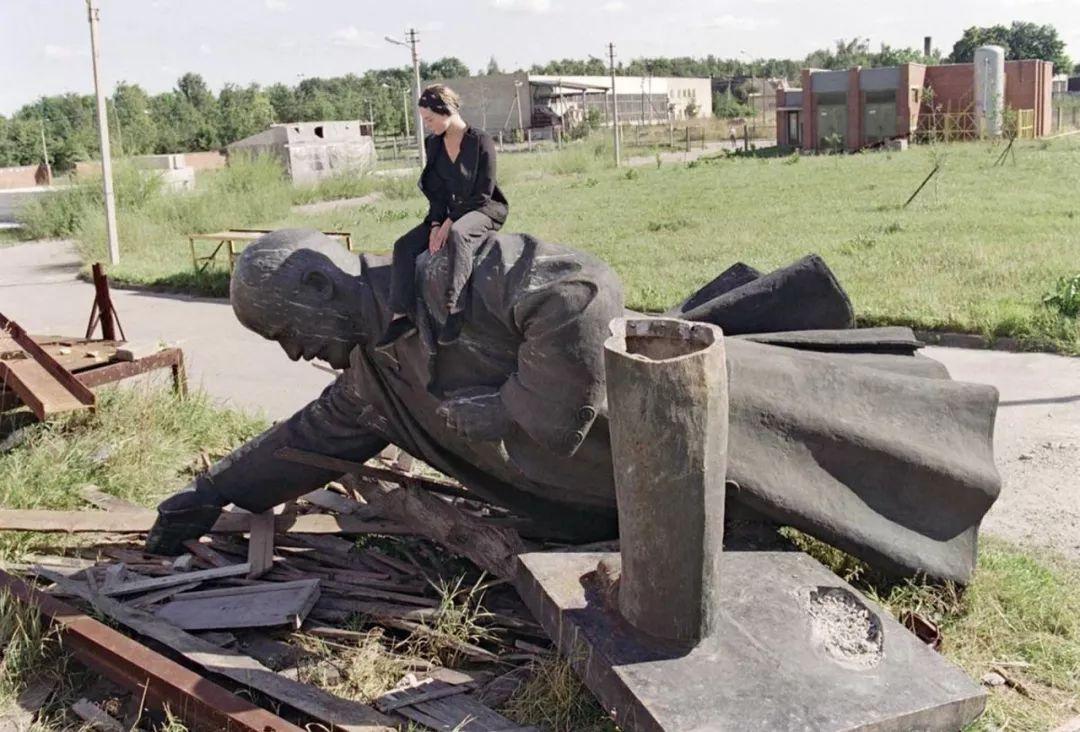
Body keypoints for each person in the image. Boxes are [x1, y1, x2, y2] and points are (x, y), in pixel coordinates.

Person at [145, 228, 1001, 585]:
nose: (295, 353)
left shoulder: (455, 266)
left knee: (853, 464)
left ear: (320, 282)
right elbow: (315, 440)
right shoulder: (377, 370)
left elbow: (582, 293)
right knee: (752, 528)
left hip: (692, 422)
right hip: (627, 491)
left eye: (290, 332)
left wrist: (518, 408)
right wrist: (217, 492)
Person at [377, 84, 509, 350]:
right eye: (424, 120)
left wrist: (448, 225)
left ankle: (455, 309)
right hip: (448, 211)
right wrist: (436, 223)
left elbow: (483, 193)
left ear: (446, 110)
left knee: (459, 234)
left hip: (483, 208)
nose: (427, 125)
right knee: (403, 246)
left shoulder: (480, 141)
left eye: (429, 119)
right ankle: (401, 316)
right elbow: (436, 192)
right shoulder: (433, 144)